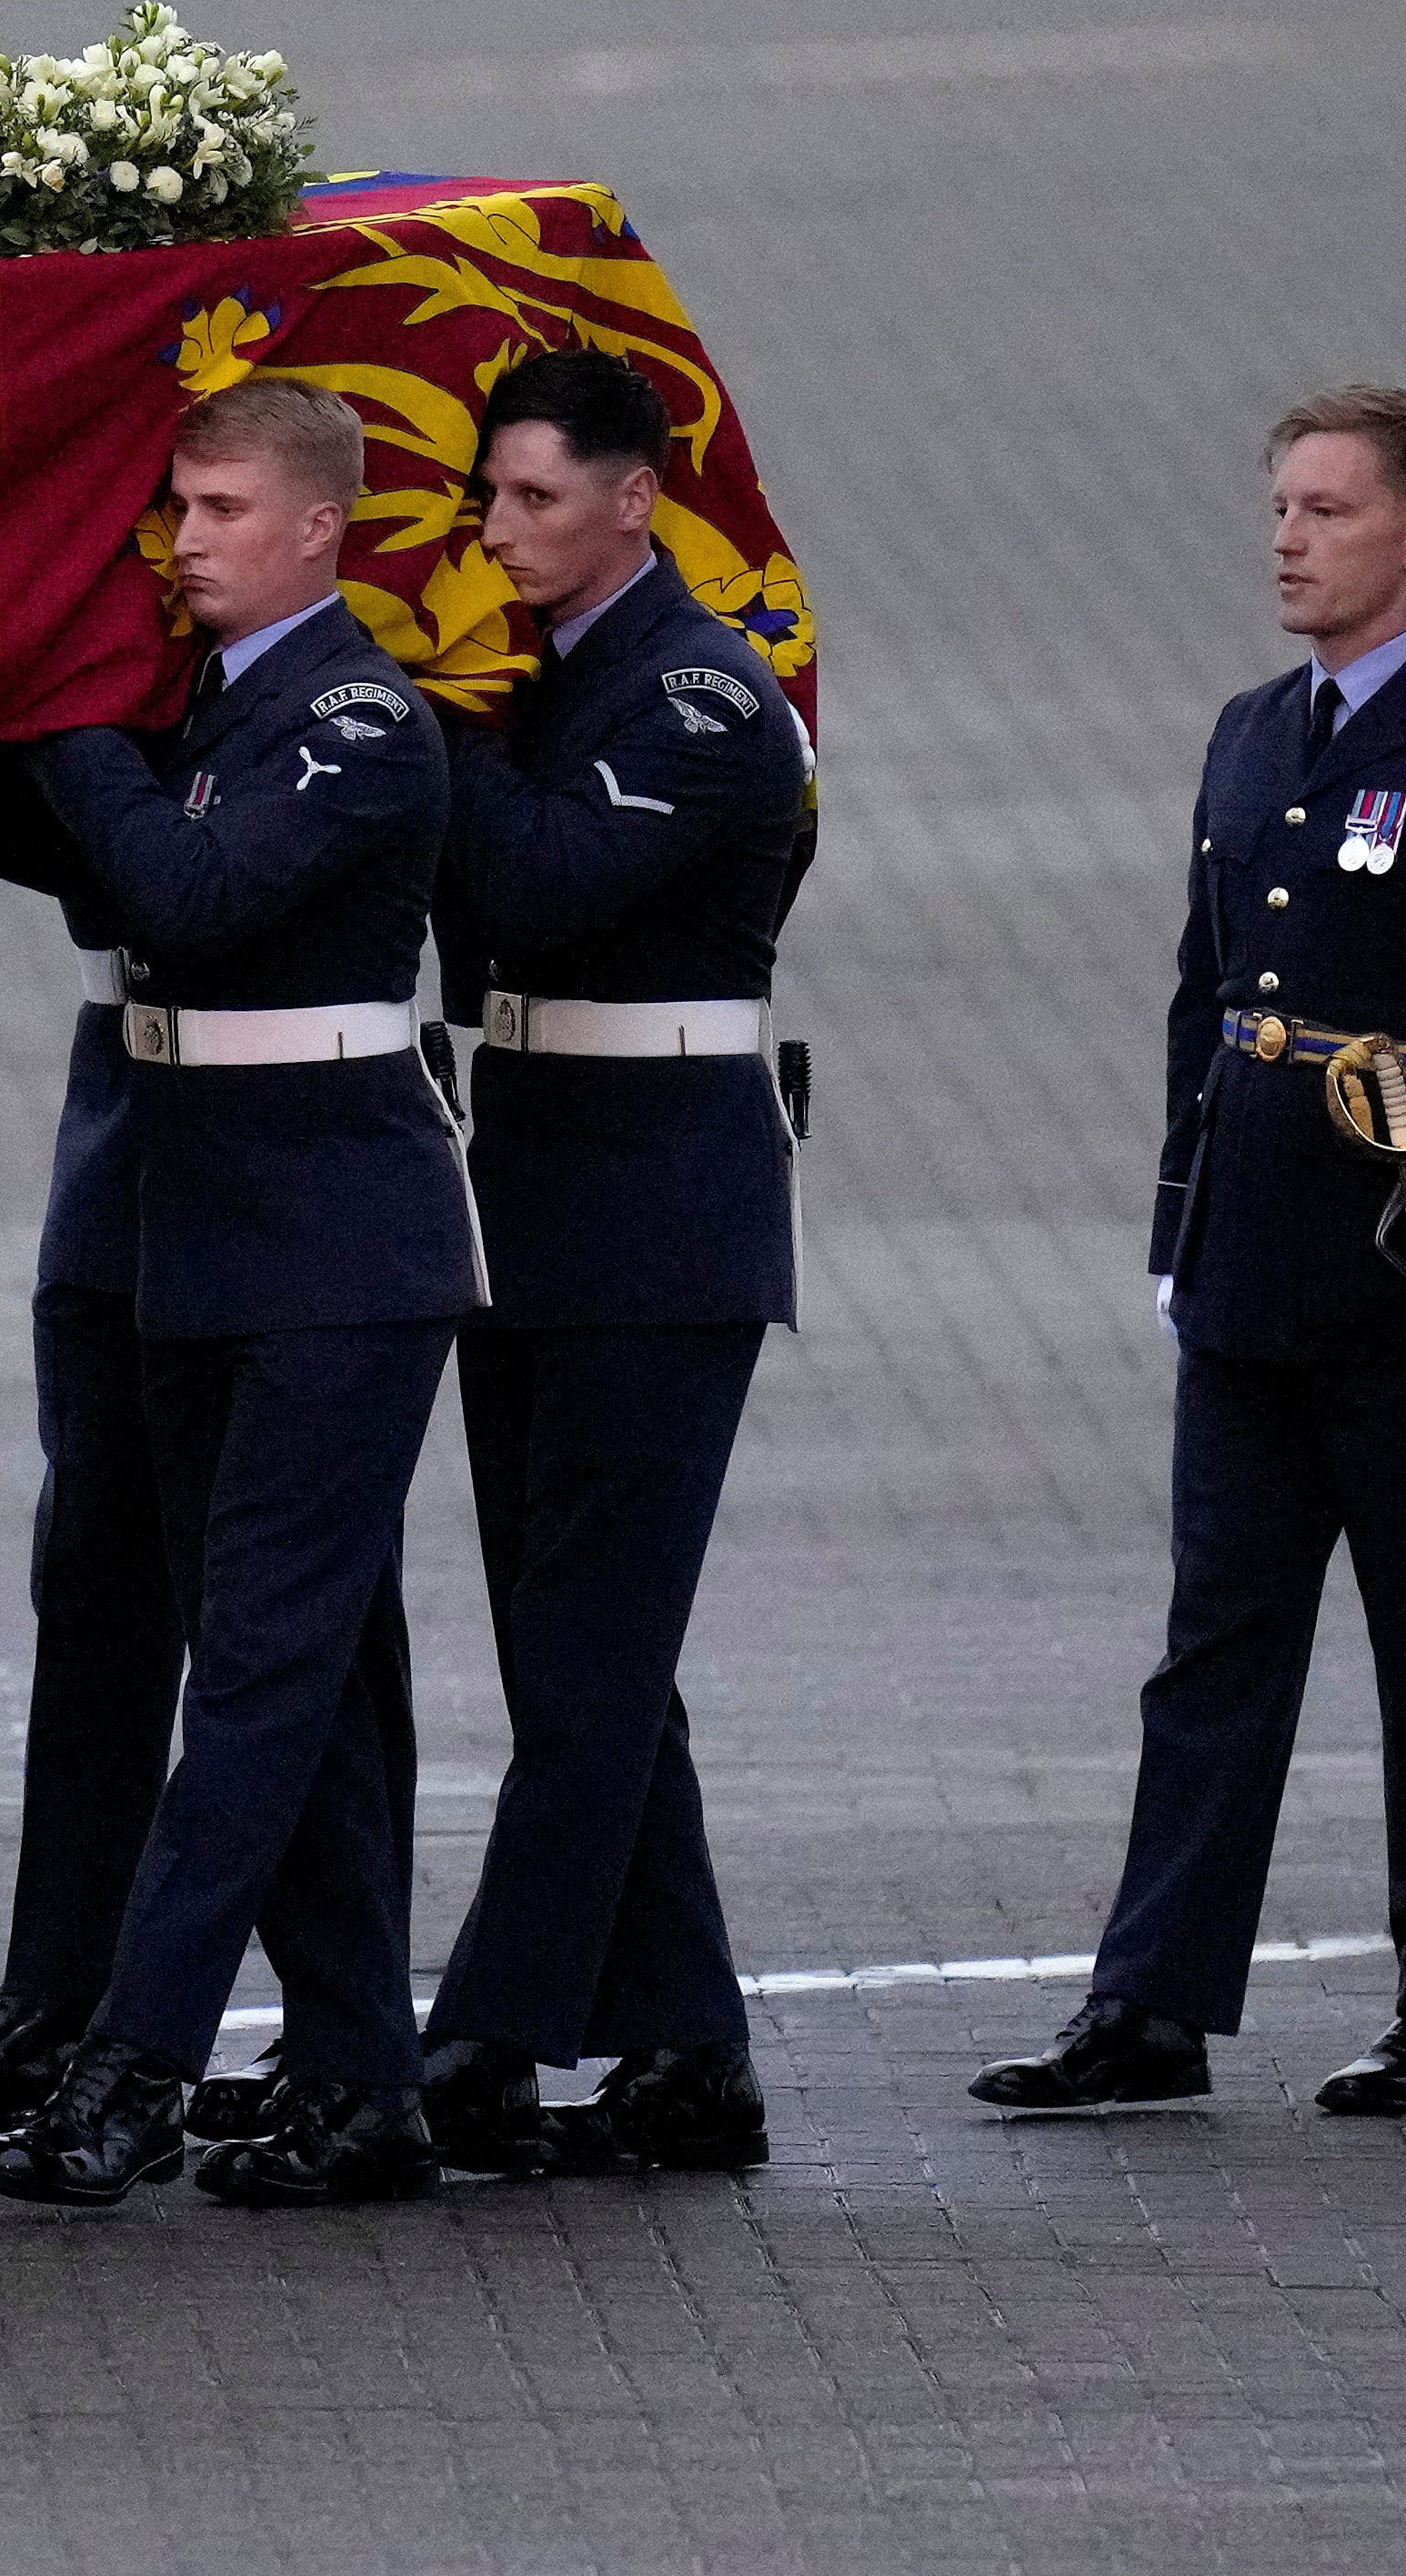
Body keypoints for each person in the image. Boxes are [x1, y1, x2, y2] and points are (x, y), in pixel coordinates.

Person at [976, 386, 1406, 2120]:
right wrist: (1181, 1223)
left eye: (1328, 510)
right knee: (1215, 1643)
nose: (1287, 537)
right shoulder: (1255, 733)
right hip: (1260, 1253)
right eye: (1279, 506)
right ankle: (1153, 2008)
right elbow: (1214, 1000)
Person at [0, 382, 477, 2211]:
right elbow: (62, 841)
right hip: (199, 1232)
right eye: (170, 508)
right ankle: (358, 2077)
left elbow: (191, 890)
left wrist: (67, 709)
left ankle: (138, 2062)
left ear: (323, 526)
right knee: (310, 1669)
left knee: (256, 1670)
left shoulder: (350, 715)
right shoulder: (205, 702)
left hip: (337, 1251)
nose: (182, 541)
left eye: (221, 509)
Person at [417, 348, 810, 2178]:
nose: (499, 530)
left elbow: (541, 893)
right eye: (489, 497)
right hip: (537, 1206)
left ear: (634, 499)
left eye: (534, 498)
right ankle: (690, 2046)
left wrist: (425, 738)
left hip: (657, 1224)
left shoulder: (704, 700)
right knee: (584, 1650)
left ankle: (488, 2037)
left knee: (584, 1656)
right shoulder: (555, 679)